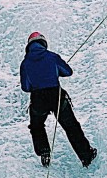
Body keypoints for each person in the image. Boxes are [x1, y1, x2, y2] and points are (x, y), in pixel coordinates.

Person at [19, 31, 96, 167]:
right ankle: (86, 156)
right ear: (43, 43)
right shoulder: (52, 56)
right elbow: (68, 71)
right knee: (71, 126)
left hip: (38, 98)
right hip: (56, 95)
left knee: (36, 126)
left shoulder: (25, 63)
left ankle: (44, 151)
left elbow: (25, 87)